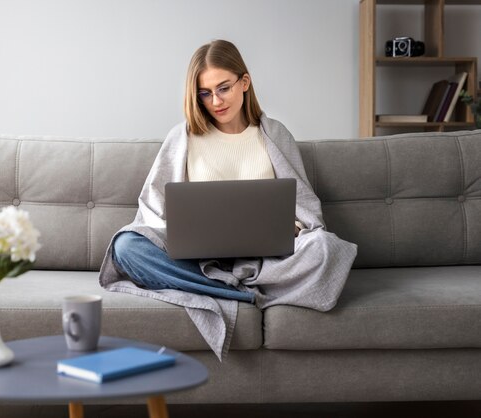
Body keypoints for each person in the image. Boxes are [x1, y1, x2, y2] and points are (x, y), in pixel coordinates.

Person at [99, 40, 357, 358]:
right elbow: (153, 208)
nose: (216, 101)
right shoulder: (183, 137)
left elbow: (305, 208)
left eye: (223, 88)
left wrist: (293, 227)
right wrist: (177, 230)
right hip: (198, 261)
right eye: (205, 93)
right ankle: (242, 294)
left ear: (244, 82)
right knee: (127, 247)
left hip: (267, 261)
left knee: (326, 249)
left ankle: (228, 290)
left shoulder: (274, 135)